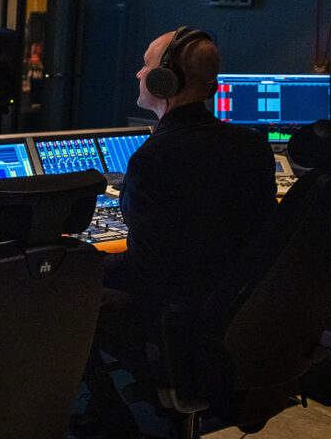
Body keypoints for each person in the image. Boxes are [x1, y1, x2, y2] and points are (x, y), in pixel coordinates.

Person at [77, 28, 277, 436]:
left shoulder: (156, 158)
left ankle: (110, 421)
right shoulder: (252, 146)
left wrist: (84, 265)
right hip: (240, 320)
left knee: (72, 299)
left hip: (180, 326)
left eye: (147, 64)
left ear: (165, 79)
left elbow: (146, 269)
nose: (138, 73)